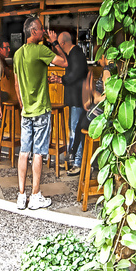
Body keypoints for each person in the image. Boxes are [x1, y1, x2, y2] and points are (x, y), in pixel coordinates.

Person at [13, 18, 68, 210]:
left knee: (23, 152)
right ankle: (35, 195)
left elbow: (16, 84)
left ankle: (21, 196)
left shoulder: (18, 54)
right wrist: (54, 43)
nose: (44, 31)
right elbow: (64, 62)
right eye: (41, 29)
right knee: (38, 153)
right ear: (33, 31)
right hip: (42, 110)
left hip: (26, 112)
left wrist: (23, 106)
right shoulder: (41, 50)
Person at [56, 31, 91, 176]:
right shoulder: (74, 54)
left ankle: (78, 162)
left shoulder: (76, 54)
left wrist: (61, 80)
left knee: (76, 131)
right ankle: (74, 159)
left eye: (58, 44)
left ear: (63, 43)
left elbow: (75, 74)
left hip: (78, 100)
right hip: (76, 99)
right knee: (74, 130)